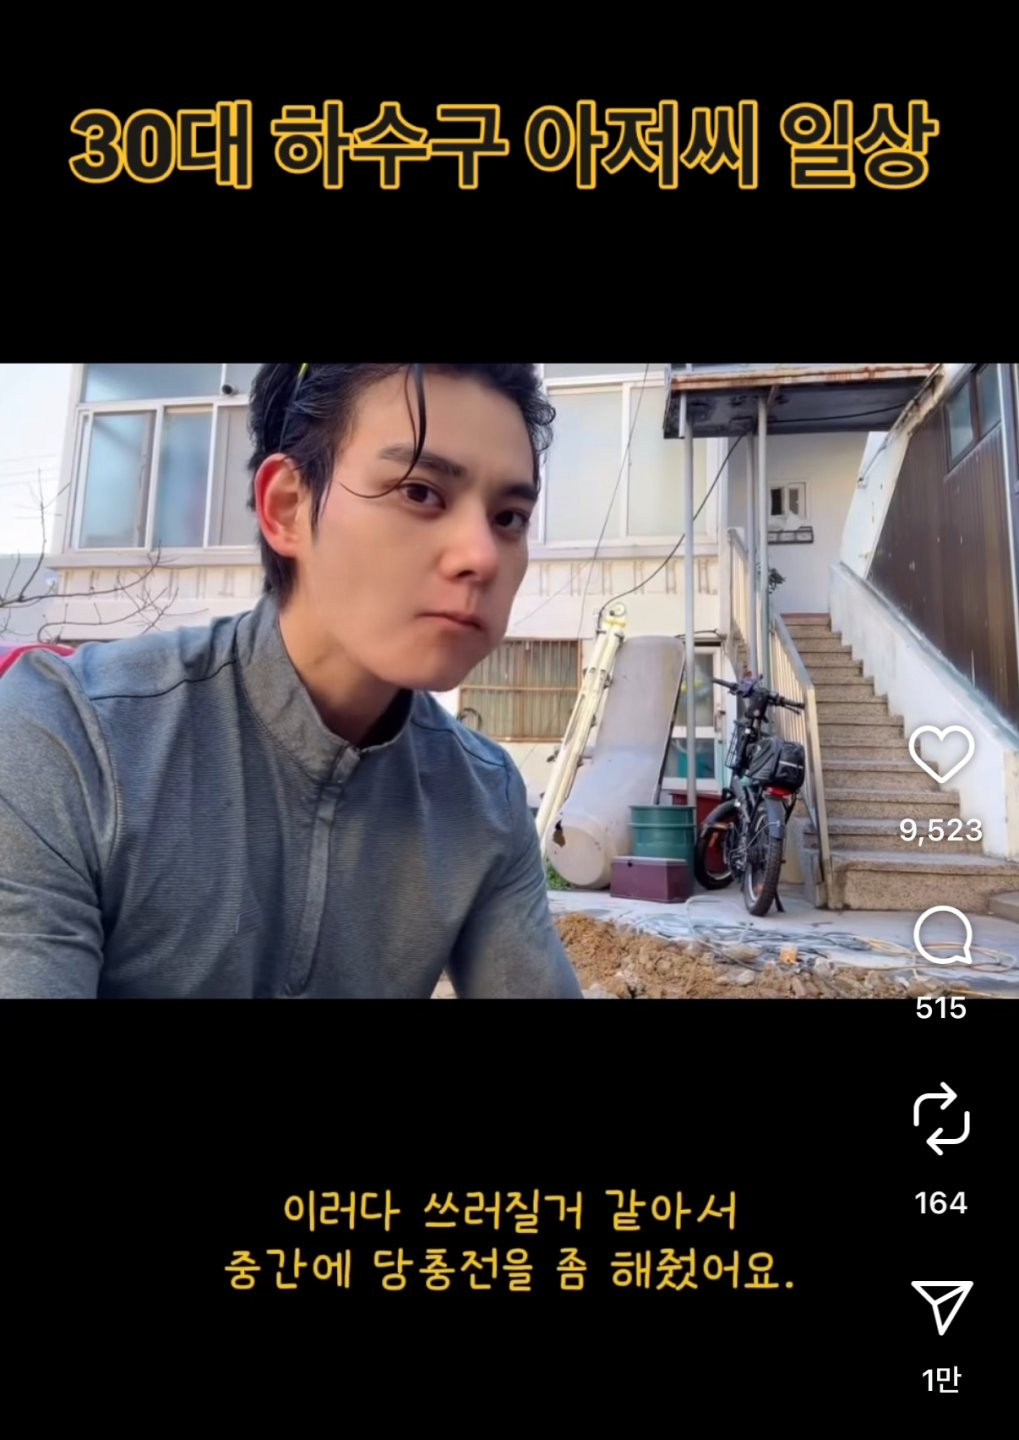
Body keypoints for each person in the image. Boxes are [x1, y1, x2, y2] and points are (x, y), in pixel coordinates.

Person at [0, 363, 583, 999]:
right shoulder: (70, 737)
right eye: (420, 492)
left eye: (509, 518)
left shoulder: (481, 799)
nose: (481, 556)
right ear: (287, 507)